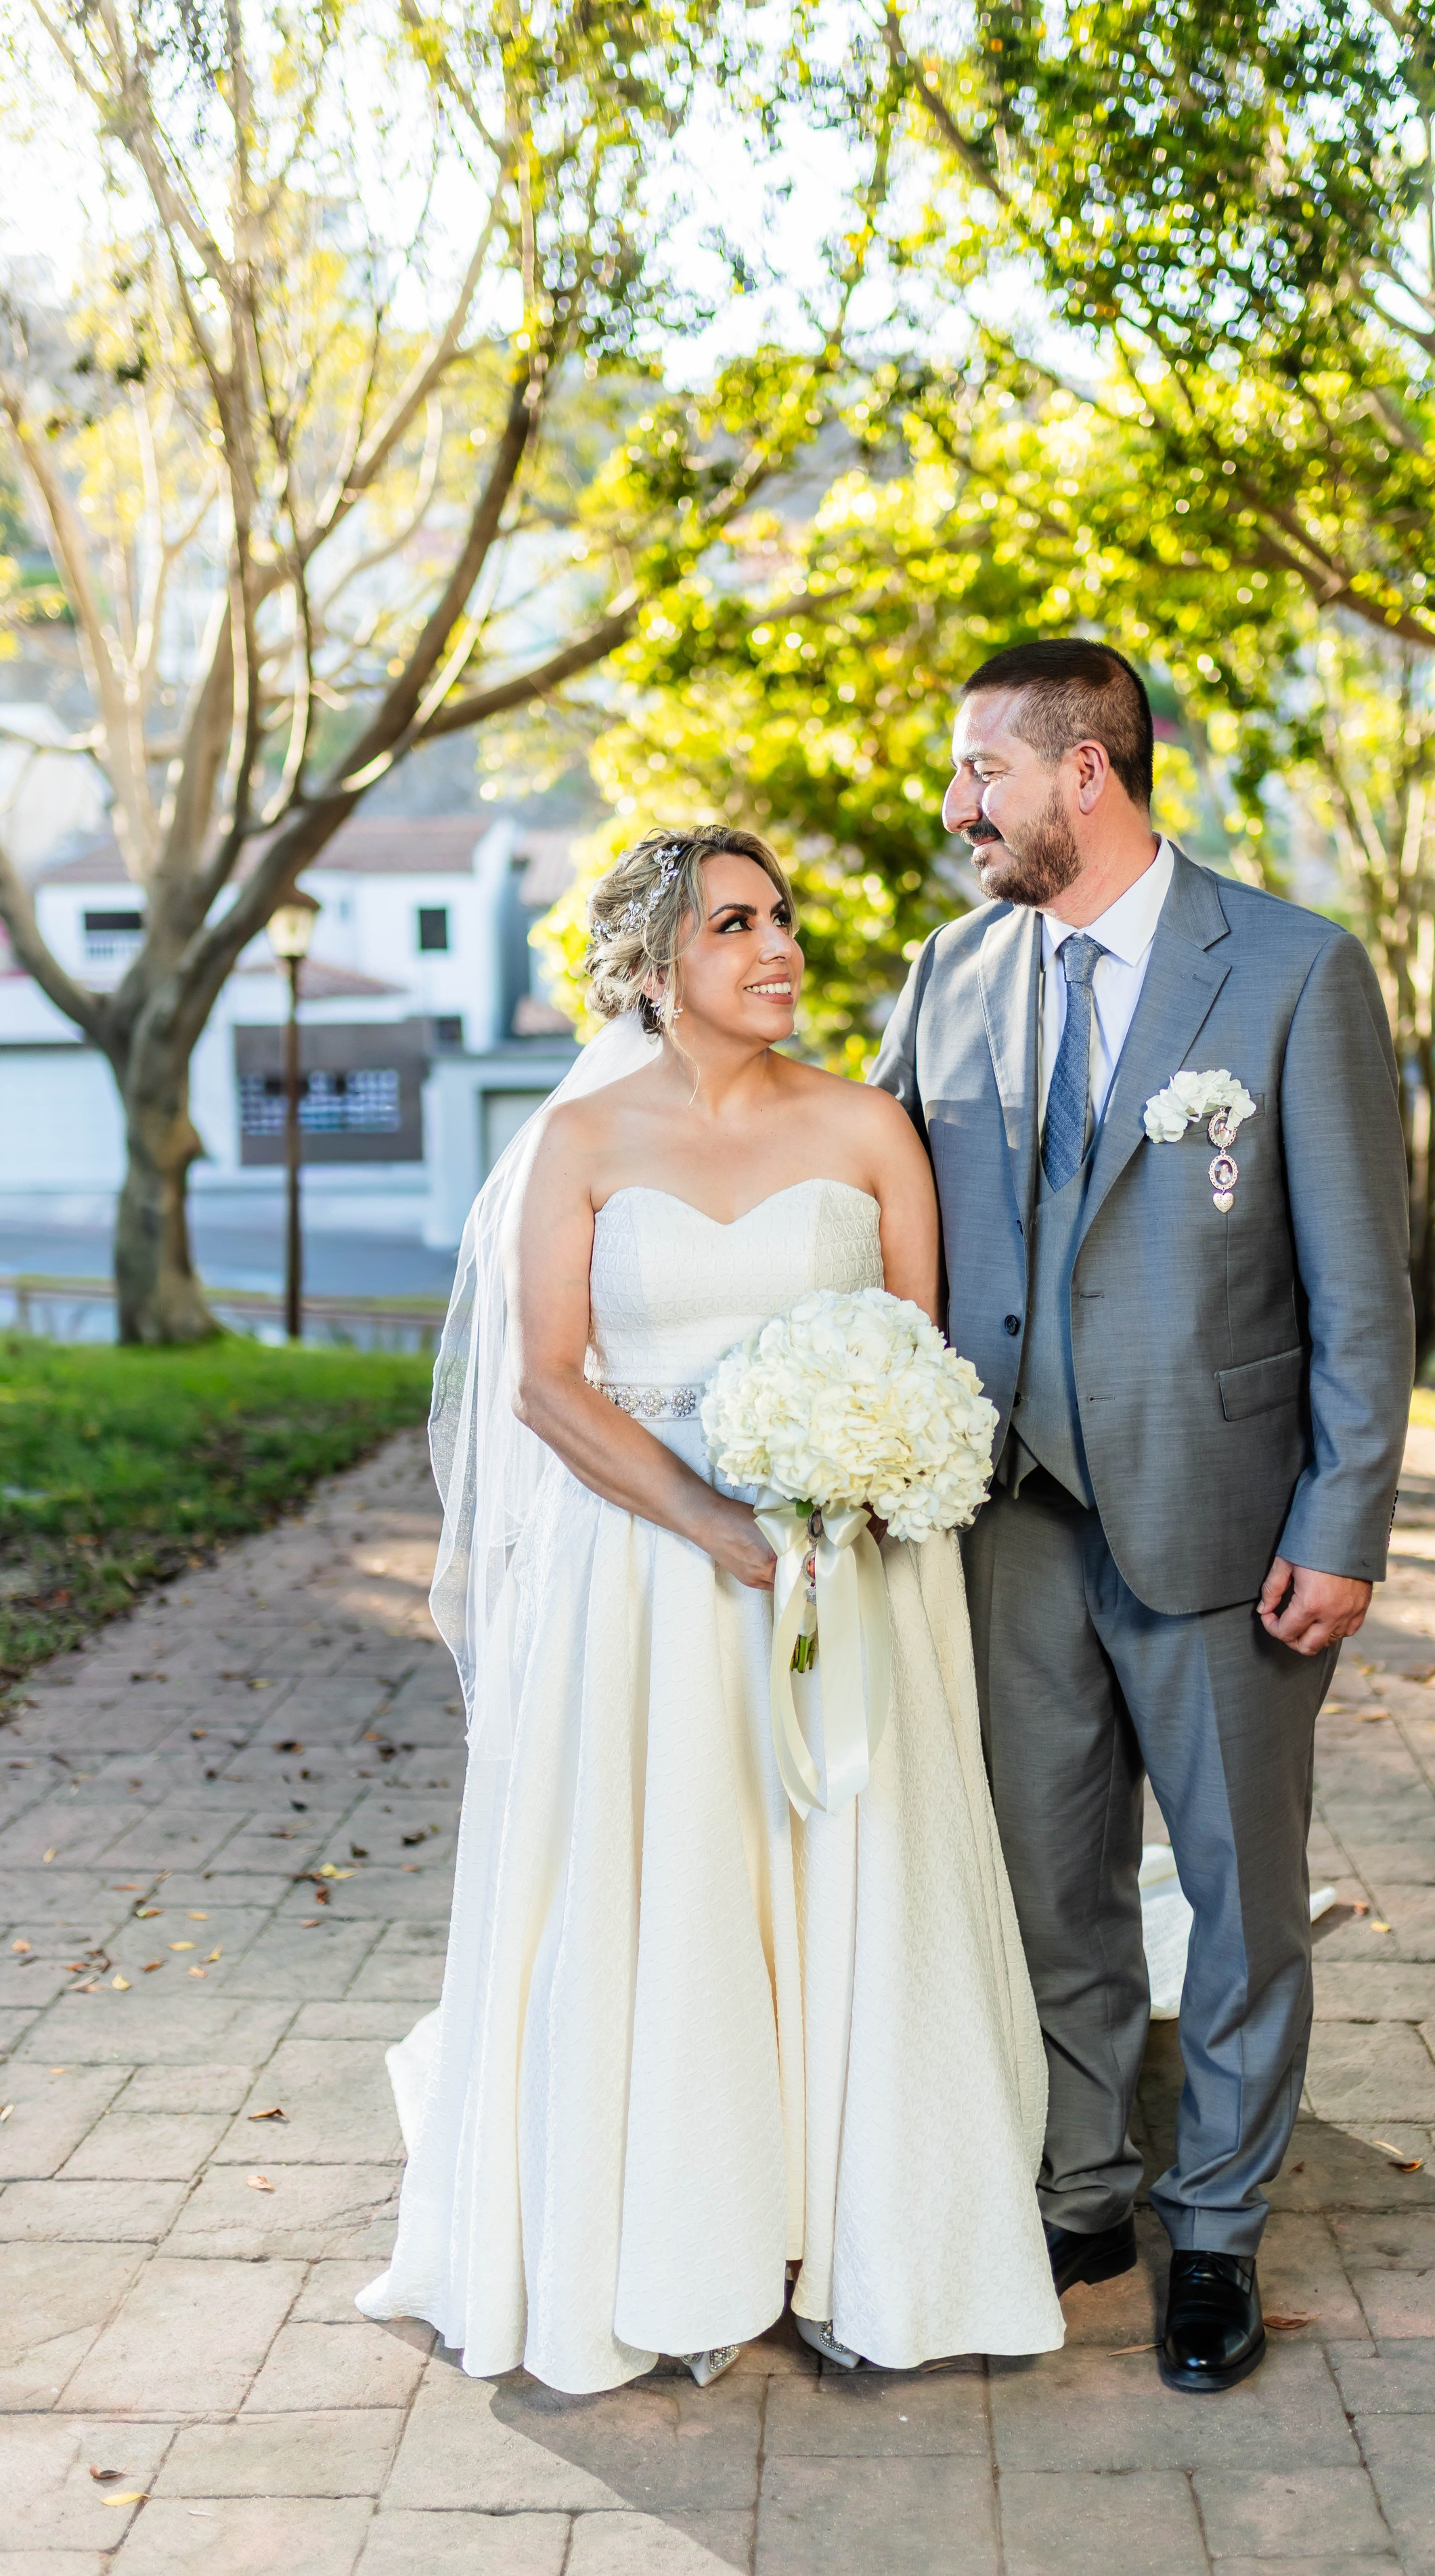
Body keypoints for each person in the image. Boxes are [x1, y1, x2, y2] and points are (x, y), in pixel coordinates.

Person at [357, 824, 1063, 2394]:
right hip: (644, 1576)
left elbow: (921, 1355)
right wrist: (712, 1522)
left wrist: (857, 1489)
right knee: (672, 1872)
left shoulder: (869, 1126)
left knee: (848, 1866)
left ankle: (860, 2228)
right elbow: (544, 1382)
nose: (779, 945)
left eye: (782, 916)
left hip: (846, 1568)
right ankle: (682, 2232)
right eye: (734, 923)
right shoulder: (578, 1142)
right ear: (652, 962)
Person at [873, 639, 1415, 2392]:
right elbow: (871, 1207)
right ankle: (1082, 2185)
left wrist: (1341, 1516)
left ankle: (1215, 2229)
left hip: (1225, 1513)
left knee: (1243, 1897)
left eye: (982, 771)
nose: (956, 807)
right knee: (1048, 1879)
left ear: (1085, 770)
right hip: (1008, 1514)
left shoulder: (1290, 968)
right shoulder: (947, 975)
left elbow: (1361, 1280)